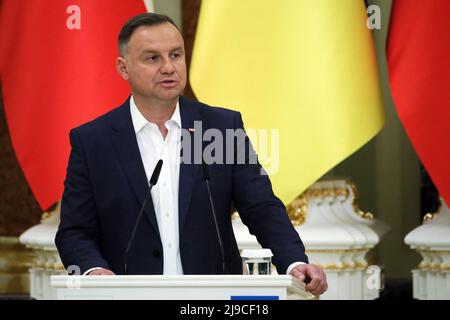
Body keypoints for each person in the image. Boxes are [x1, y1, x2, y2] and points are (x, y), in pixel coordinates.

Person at [55, 13, 327, 296]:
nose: (169, 67)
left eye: (175, 55)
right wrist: (93, 270)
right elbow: (75, 231)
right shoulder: (93, 142)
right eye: (153, 58)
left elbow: (261, 208)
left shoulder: (220, 128)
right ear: (123, 68)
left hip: (212, 299)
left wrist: (294, 261)